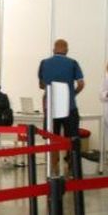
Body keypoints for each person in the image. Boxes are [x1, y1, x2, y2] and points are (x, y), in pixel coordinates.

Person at [38, 38, 84, 175]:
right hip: (69, 107)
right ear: (67, 50)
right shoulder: (73, 63)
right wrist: (72, 94)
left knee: (52, 138)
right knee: (71, 139)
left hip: (51, 108)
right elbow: (81, 84)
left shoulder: (44, 63)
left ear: (53, 49)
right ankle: (71, 167)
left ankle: (53, 167)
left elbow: (41, 84)